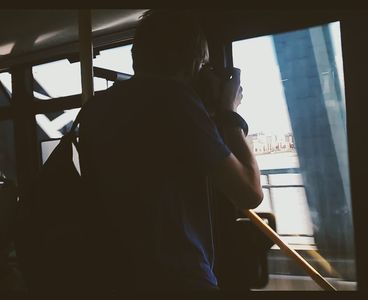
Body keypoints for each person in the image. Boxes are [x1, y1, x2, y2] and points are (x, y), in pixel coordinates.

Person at [78, 10, 263, 293]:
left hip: (114, 277)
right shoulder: (176, 102)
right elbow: (249, 192)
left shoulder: (95, 108)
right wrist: (229, 113)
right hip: (178, 278)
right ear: (192, 62)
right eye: (203, 65)